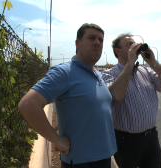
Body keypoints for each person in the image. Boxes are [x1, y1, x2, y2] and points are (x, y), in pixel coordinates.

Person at [18, 23, 117, 168]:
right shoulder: (63, 72)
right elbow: (28, 104)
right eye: (91, 38)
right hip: (81, 161)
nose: (97, 42)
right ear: (78, 43)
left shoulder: (97, 74)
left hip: (104, 156)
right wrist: (56, 140)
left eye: (101, 40)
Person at [102, 33, 161, 168]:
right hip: (126, 142)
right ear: (117, 51)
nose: (134, 47)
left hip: (151, 138)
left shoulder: (146, 71)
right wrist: (130, 63)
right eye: (129, 45)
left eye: (135, 44)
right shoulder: (109, 74)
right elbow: (116, 95)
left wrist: (153, 63)